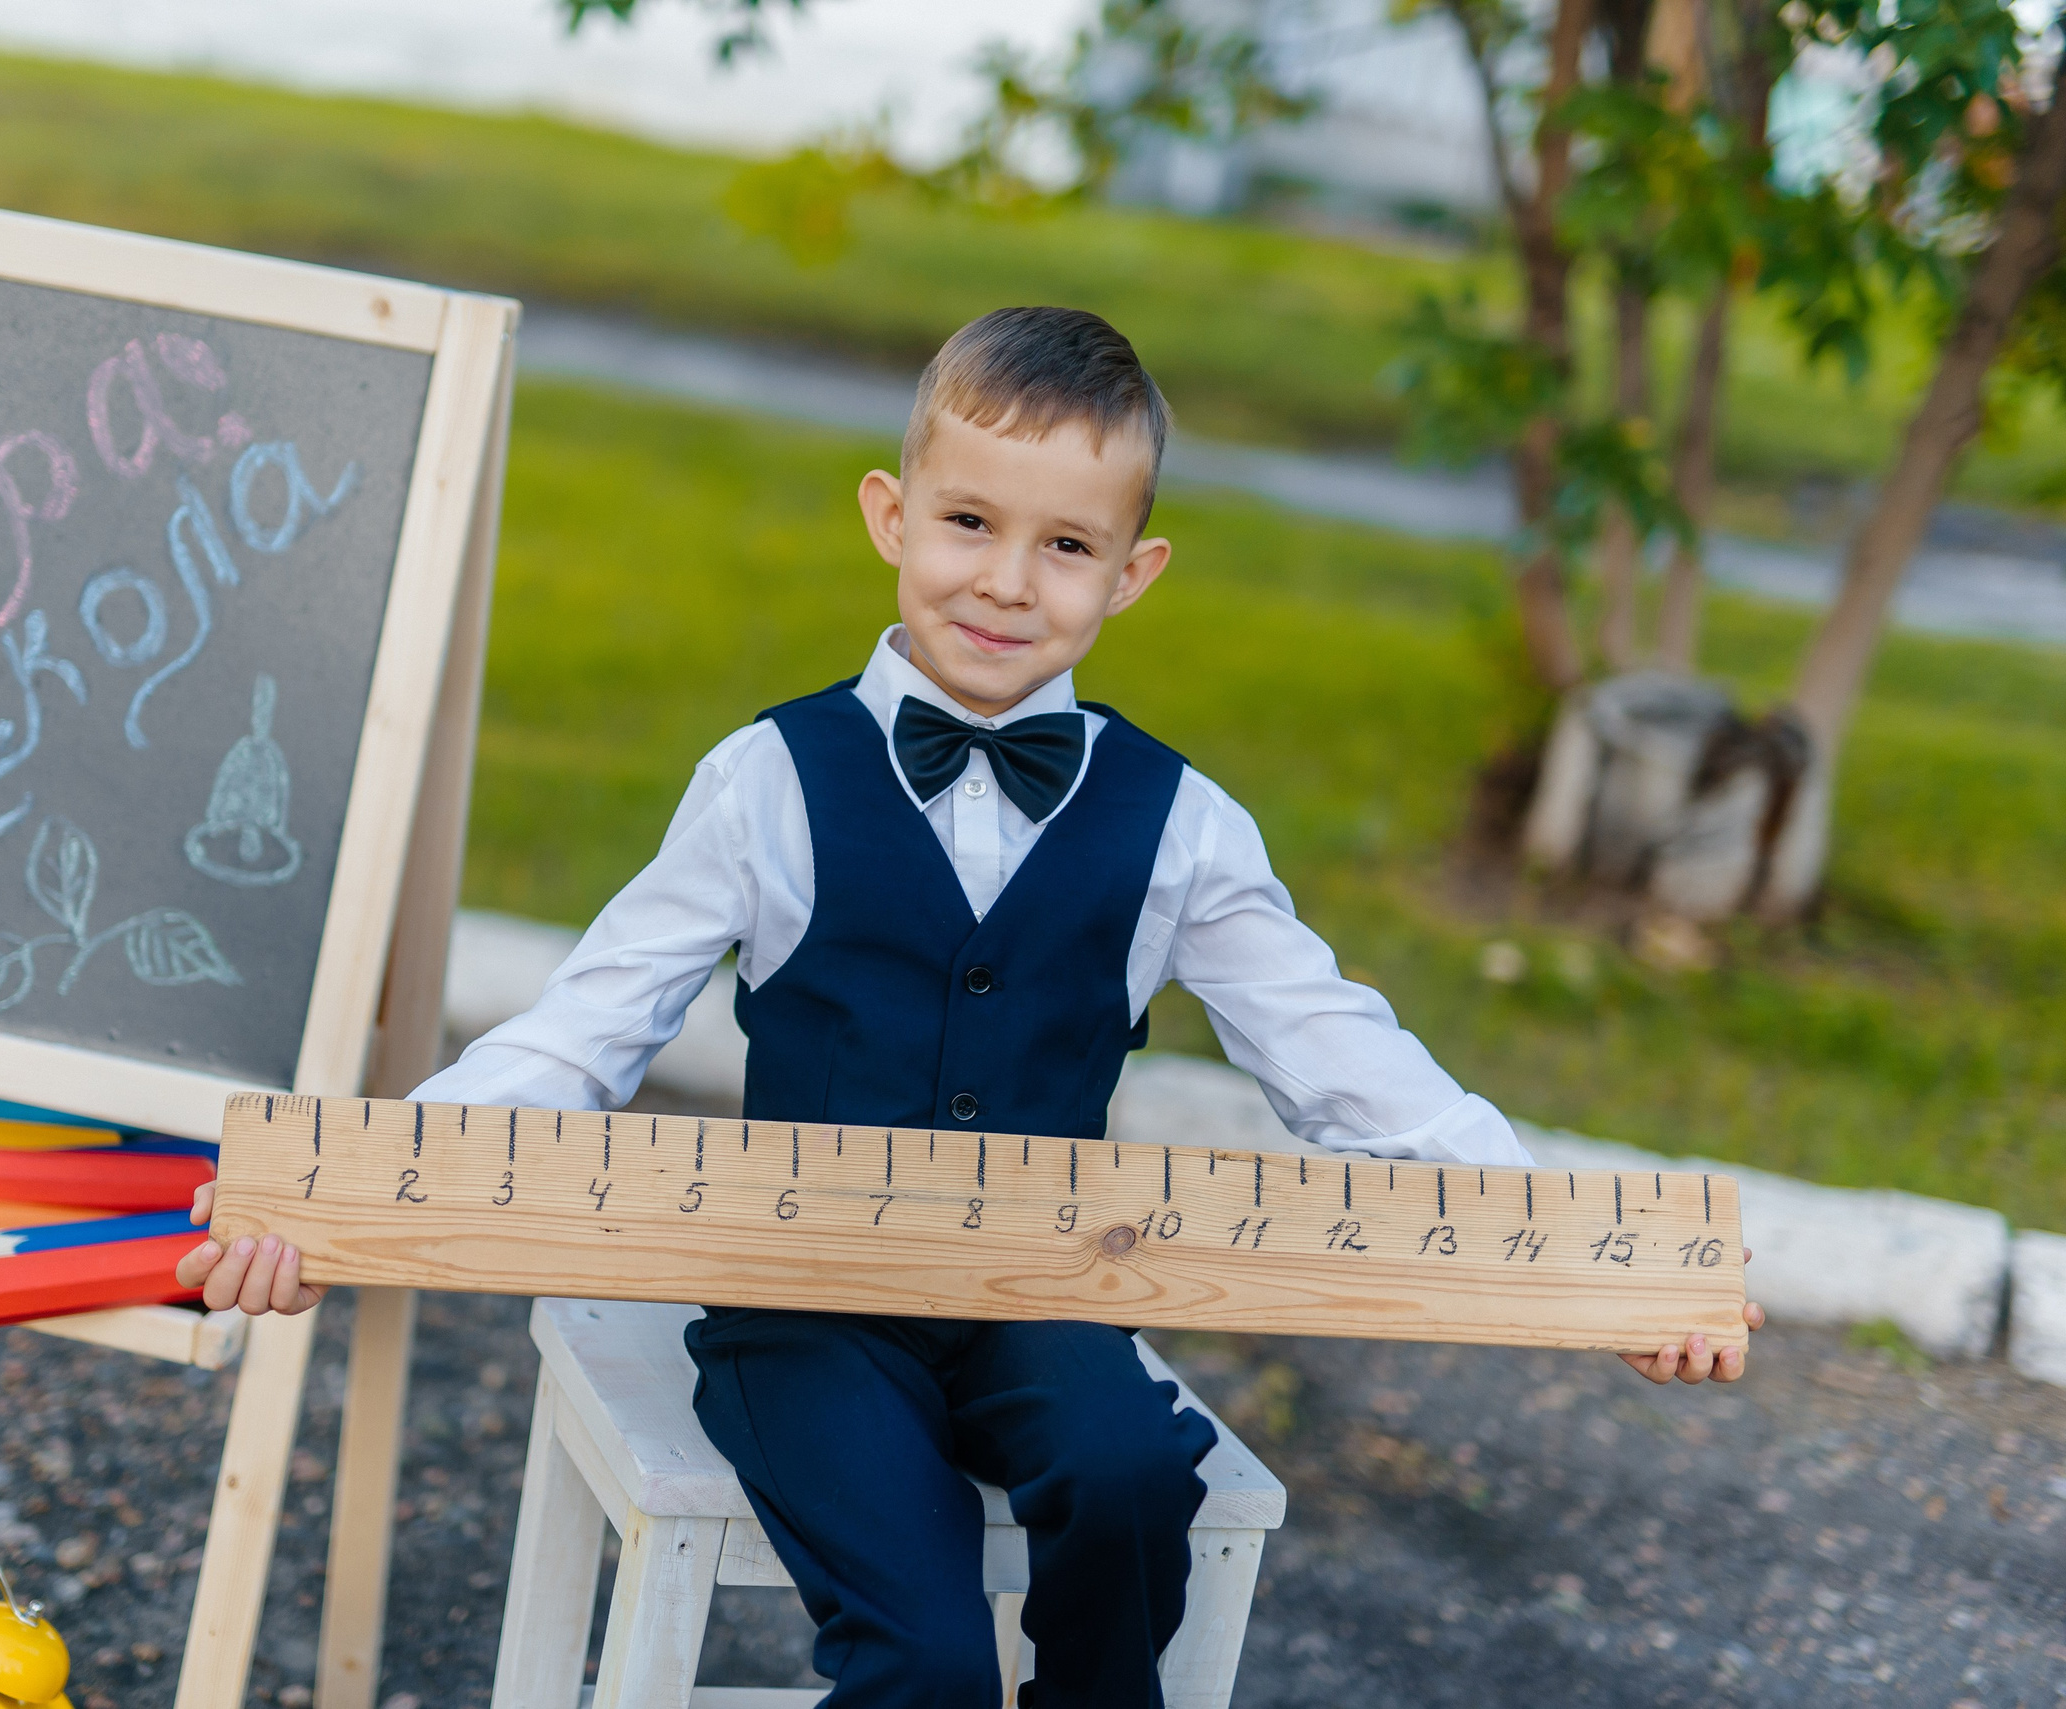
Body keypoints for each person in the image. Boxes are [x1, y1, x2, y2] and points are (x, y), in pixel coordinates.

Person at [179, 306, 1763, 1706]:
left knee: (1133, 1471)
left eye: (1066, 545)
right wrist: (347, 1202)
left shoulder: (1182, 823)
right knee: (927, 1657)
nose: (1006, 582)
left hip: (1044, 1289)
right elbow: (579, 1034)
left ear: (1133, 573)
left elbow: (1356, 1074)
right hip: (804, 1305)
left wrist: (1585, 1274)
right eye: (967, 522)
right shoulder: (765, 783)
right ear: (888, 515)